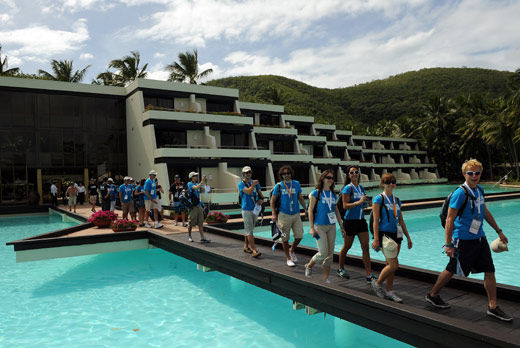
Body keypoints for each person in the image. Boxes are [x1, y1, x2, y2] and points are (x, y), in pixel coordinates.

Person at [425, 159, 512, 322]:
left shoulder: (479, 190)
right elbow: (450, 219)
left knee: (490, 270)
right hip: (463, 240)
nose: (474, 176)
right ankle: (432, 294)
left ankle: (492, 306)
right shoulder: (460, 193)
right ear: (464, 174)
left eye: (477, 173)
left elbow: (484, 211)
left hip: (480, 238)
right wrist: (449, 243)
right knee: (451, 269)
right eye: (470, 173)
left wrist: (499, 231)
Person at [370, 173, 412, 303]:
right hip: (384, 235)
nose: (391, 184)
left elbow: (401, 220)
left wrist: (408, 237)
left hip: (397, 234)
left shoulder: (397, 200)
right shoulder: (378, 199)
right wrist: (376, 239)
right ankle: (377, 283)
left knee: (390, 265)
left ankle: (389, 291)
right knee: (394, 265)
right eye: (388, 182)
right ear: (383, 184)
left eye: (393, 182)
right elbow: (375, 221)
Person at [305, 170, 345, 282]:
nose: (330, 180)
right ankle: (309, 265)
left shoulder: (332, 194)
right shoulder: (316, 193)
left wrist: (341, 226)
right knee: (323, 253)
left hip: (331, 226)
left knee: (330, 254)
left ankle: (326, 277)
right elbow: (310, 211)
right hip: (319, 226)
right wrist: (312, 228)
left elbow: (336, 210)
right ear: (322, 178)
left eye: (332, 178)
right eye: (328, 177)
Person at [338, 166, 376, 282]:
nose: (354, 174)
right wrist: (359, 202)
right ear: (349, 175)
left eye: (356, 172)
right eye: (351, 172)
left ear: (358, 174)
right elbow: (345, 205)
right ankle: (340, 268)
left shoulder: (361, 188)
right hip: (350, 221)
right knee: (347, 246)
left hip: (361, 220)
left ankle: (369, 275)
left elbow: (362, 205)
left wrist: (366, 203)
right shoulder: (347, 189)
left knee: (365, 247)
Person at [270, 165, 308, 267]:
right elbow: (272, 201)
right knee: (285, 239)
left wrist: (305, 208)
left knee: (299, 236)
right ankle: (288, 258)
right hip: (284, 215)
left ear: (291, 173)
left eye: (288, 173)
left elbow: (300, 197)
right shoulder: (279, 186)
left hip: (296, 214)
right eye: (284, 174)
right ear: (281, 175)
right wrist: (273, 213)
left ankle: (292, 250)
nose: (286, 175)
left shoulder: (296, 184)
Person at [238, 166, 263, 258]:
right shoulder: (241, 184)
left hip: (255, 209)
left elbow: (260, 194)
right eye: (246, 173)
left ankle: (245, 246)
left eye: (249, 172)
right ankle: (254, 250)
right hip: (246, 209)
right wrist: (253, 185)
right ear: (243, 174)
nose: (248, 174)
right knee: (249, 231)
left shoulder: (256, 183)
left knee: (250, 229)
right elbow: (248, 192)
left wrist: (261, 200)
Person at [187, 172, 210, 243]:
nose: (197, 176)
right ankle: (190, 236)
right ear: (192, 177)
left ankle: (202, 237)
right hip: (193, 206)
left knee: (200, 222)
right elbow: (196, 188)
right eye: (195, 176)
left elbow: (204, 190)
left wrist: (205, 183)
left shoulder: (197, 184)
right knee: (191, 222)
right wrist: (202, 181)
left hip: (199, 205)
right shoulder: (190, 184)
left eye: (197, 175)